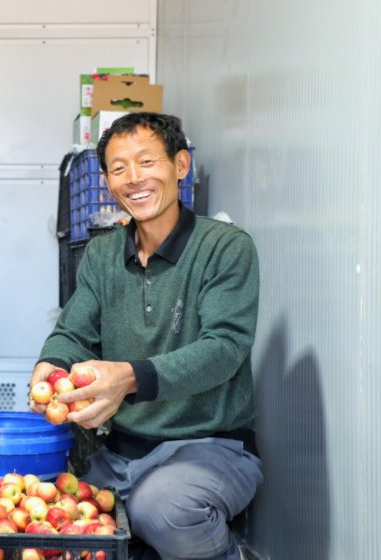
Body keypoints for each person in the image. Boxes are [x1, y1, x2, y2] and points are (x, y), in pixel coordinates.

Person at [30, 113, 262, 560]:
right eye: (118, 169)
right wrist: (51, 365)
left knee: (161, 509)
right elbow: (73, 332)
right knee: (59, 525)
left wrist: (129, 377)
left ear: (180, 166)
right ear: (107, 181)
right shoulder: (102, 253)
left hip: (211, 448)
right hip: (118, 455)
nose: (133, 179)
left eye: (146, 162)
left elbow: (224, 349)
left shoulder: (225, 247)